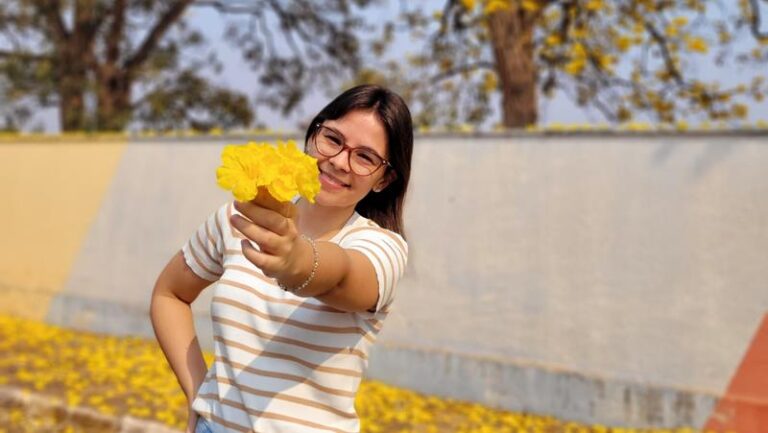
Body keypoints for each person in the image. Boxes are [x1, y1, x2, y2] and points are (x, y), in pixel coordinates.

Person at [150, 84, 413, 433]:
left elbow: (343, 274)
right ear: (313, 134)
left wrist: (297, 261)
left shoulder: (382, 248)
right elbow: (169, 295)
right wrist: (198, 391)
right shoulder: (239, 220)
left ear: (385, 179)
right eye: (333, 139)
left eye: (365, 157)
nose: (338, 161)